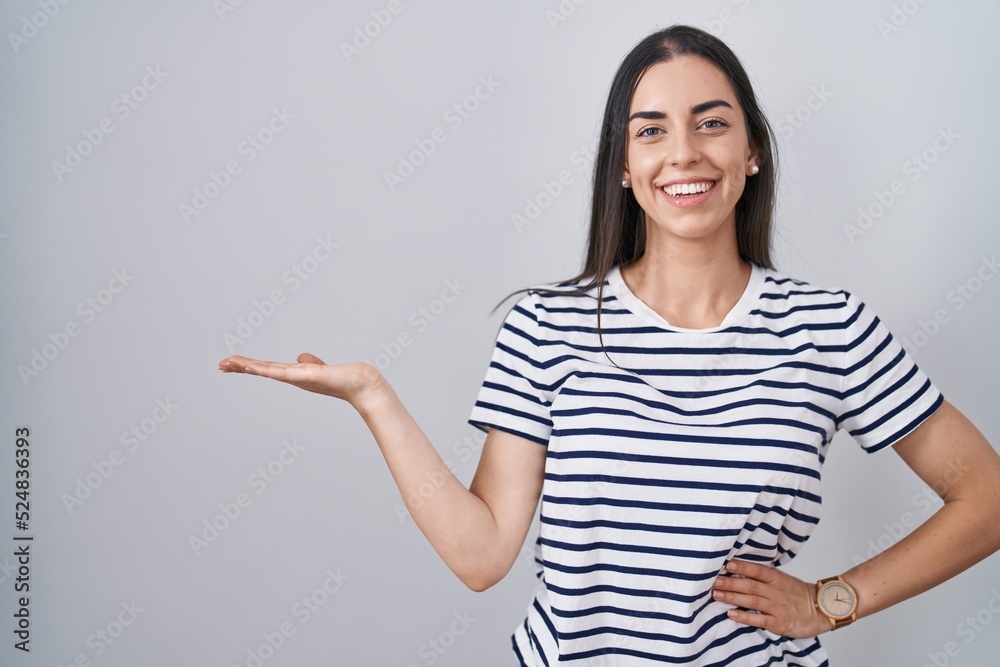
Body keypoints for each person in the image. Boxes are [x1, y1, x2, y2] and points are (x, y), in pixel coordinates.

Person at [218, 24, 1000, 666]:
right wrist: (373, 398)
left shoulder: (829, 327)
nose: (684, 152)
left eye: (712, 121)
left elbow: (988, 498)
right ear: (624, 166)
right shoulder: (544, 327)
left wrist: (836, 599)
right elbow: (482, 553)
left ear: (752, 150)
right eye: (651, 130)